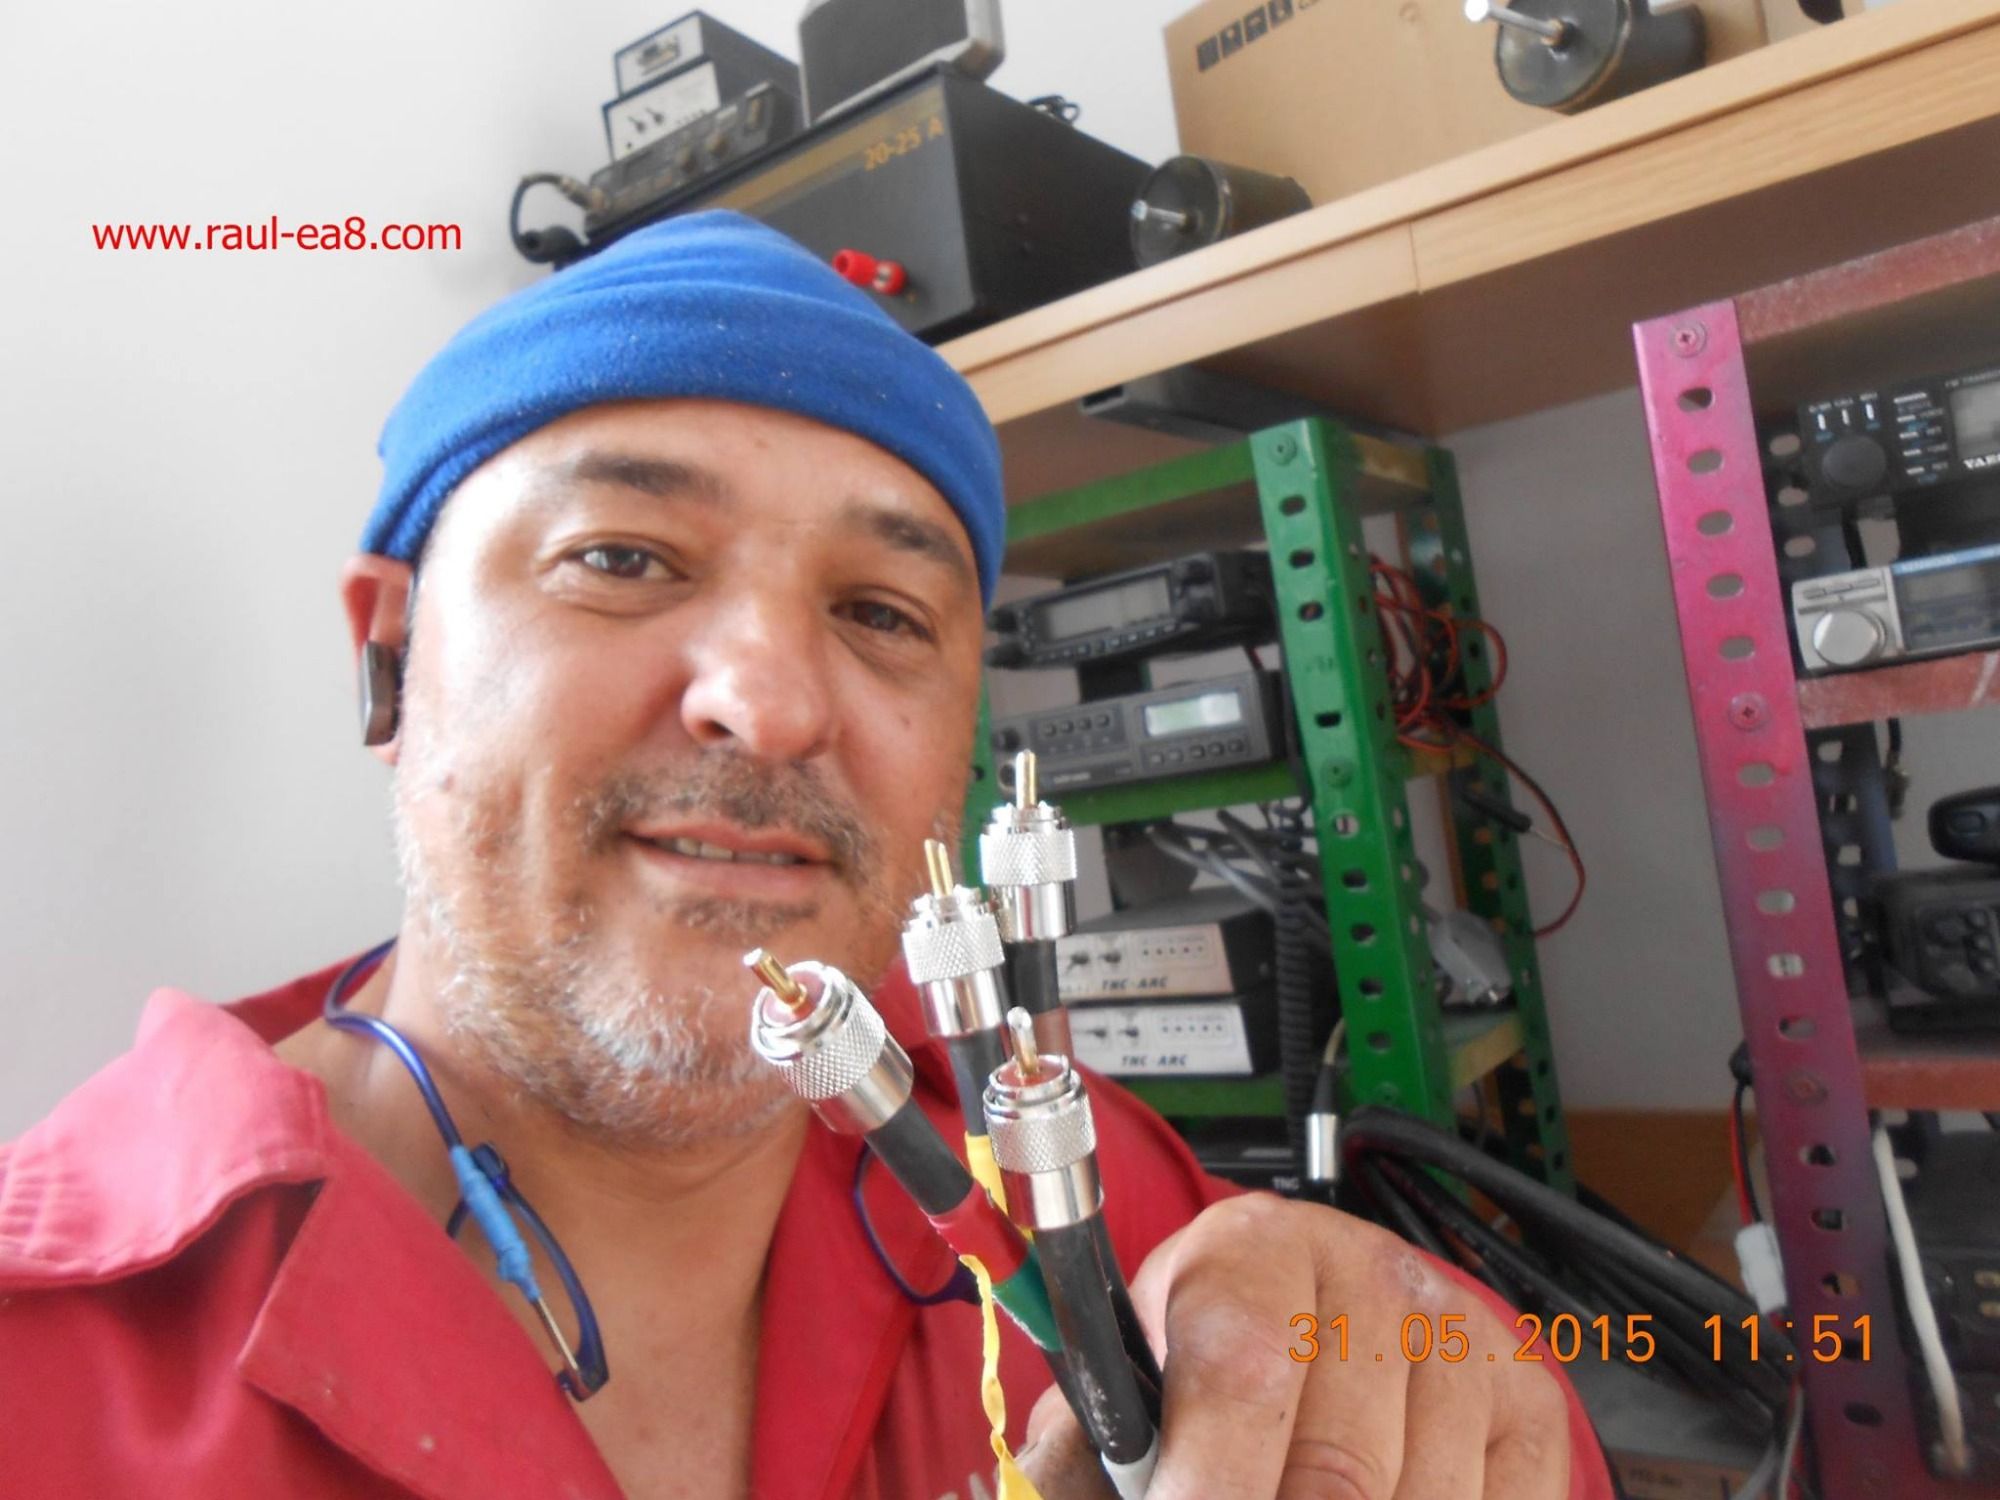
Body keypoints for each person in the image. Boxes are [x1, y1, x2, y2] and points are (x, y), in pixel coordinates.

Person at [0, 212, 1611, 1500]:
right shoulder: (45, 1357)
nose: (773, 705)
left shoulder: (1075, 1187)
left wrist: (1427, 1384)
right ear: (388, 656)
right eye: (622, 556)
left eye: (882, 613)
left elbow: (1477, 1426)